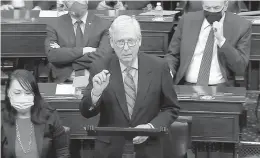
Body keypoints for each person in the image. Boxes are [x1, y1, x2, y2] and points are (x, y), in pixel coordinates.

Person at [79, 15, 180, 158]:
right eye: (120, 42)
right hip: (110, 150)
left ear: (139, 41)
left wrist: (150, 128)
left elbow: (171, 108)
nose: (126, 48)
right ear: (112, 43)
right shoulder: (99, 66)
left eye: (131, 42)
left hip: (149, 147)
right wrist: (96, 93)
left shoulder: (159, 67)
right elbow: (86, 112)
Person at [165, 0, 251, 86]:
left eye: (216, 8)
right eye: (207, 8)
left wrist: (222, 41)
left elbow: (240, 67)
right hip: (186, 85)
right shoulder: (187, 20)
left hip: (221, 87)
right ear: (202, 5)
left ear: (225, 6)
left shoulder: (241, 25)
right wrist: (168, 72)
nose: (212, 11)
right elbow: (173, 54)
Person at [1, 69, 70, 158]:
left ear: (34, 94)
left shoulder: (50, 116)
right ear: (8, 93)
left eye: (27, 93)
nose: (23, 97)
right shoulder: (2, 118)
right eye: (17, 93)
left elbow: (62, 152)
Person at [45, 0, 113, 83]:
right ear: (65, 3)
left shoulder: (104, 25)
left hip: (95, 78)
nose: (75, 3)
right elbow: (52, 55)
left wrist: (65, 56)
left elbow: (104, 55)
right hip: (64, 79)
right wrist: (84, 50)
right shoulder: (54, 24)